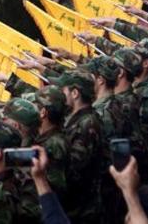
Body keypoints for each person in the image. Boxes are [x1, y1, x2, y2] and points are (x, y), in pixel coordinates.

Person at [57, 71, 103, 223]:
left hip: (81, 208)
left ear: (75, 93)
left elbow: (75, 168)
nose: (61, 94)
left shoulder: (87, 124)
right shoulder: (78, 118)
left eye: (64, 90)